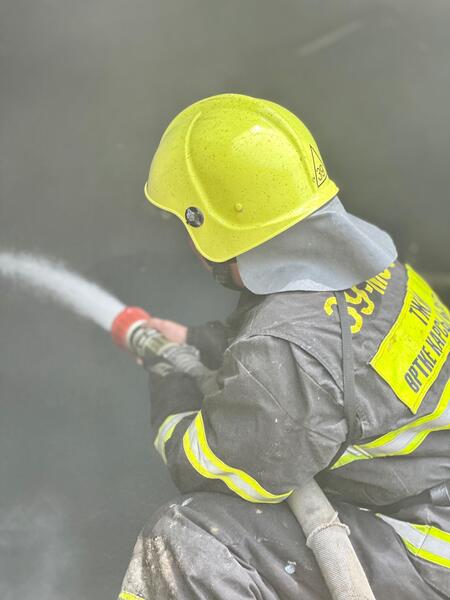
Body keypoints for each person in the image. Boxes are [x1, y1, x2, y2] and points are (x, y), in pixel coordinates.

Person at [118, 94, 450, 600]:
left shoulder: (286, 354)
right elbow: (323, 360)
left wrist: (170, 377)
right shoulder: (384, 275)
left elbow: (214, 466)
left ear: (209, 226)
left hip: (427, 556)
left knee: (189, 541)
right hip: (427, 503)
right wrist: (199, 344)